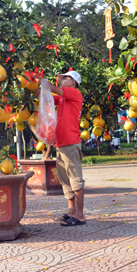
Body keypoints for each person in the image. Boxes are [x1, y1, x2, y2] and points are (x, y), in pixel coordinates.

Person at [35, 68, 85, 226]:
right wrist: (31, 85)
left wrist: (40, 80)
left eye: (65, 78)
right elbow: (42, 97)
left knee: (75, 179)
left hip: (71, 143)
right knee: (65, 180)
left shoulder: (75, 94)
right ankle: (71, 210)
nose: (62, 80)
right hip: (61, 144)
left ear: (73, 82)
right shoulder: (63, 99)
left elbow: (53, 88)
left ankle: (80, 214)